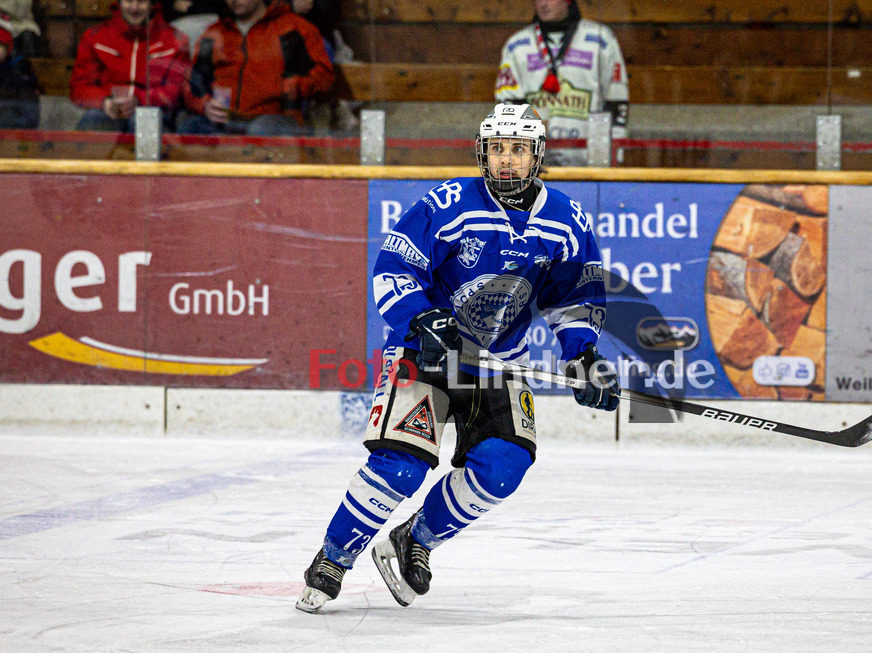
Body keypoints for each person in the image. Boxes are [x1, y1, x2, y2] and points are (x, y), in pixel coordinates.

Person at [296, 103, 621, 613]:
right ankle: (335, 556)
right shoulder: (448, 203)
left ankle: (415, 539)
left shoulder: (565, 220)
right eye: (497, 149)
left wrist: (583, 357)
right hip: (426, 351)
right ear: (482, 154)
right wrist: (422, 318)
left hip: (500, 362)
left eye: (517, 150)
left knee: (503, 466)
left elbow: (573, 300)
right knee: (401, 466)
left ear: (537, 156)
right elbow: (394, 266)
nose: (506, 161)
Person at [495, 0, 629, 166]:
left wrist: (616, 153)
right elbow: (507, 105)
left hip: (589, 164)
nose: (543, 4)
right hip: (535, 167)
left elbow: (617, 100)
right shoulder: (516, 46)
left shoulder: (601, 39)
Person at [180, 0, 333, 136]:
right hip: (225, 119)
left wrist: (287, 87)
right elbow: (194, 80)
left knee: (260, 130)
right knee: (190, 127)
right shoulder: (214, 33)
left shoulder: (293, 29)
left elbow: (324, 78)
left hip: (277, 118)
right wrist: (205, 105)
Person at [69, 0, 190, 132]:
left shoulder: (174, 40)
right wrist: (105, 102)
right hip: (108, 110)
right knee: (93, 119)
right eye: (128, 1)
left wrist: (140, 99)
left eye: (142, 1)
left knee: (147, 122)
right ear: (119, 3)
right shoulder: (95, 37)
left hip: (153, 110)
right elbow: (79, 86)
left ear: (152, 4)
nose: (134, 8)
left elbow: (177, 88)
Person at [0, 25, 39, 128]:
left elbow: (29, 109)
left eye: (0, 45)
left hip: (14, 131)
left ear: (8, 48)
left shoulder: (19, 71)